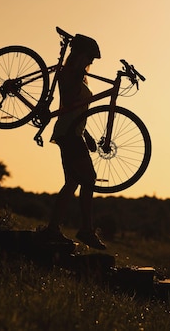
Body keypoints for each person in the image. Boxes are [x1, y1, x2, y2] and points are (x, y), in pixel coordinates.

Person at [38, 33, 106, 250]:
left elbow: (75, 111)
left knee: (73, 182)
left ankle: (52, 230)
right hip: (68, 135)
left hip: (72, 134)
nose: (90, 63)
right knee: (88, 178)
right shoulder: (69, 74)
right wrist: (76, 75)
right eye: (89, 58)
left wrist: (86, 135)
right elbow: (68, 101)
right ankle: (86, 229)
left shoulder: (78, 76)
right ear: (80, 55)